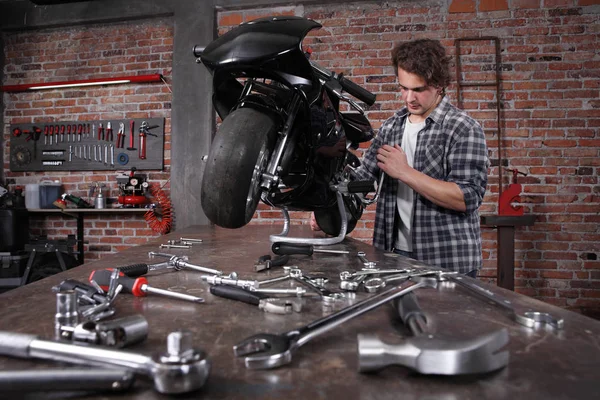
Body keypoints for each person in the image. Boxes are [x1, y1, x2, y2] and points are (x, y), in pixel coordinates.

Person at [353, 39, 489, 277]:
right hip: (393, 256)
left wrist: (405, 172)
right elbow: (361, 180)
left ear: (439, 85)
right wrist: (328, 211)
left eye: (418, 90)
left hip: (447, 260)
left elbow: (466, 198)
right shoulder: (391, 128)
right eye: (403, 88)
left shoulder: (463, 128)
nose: (408, 98)